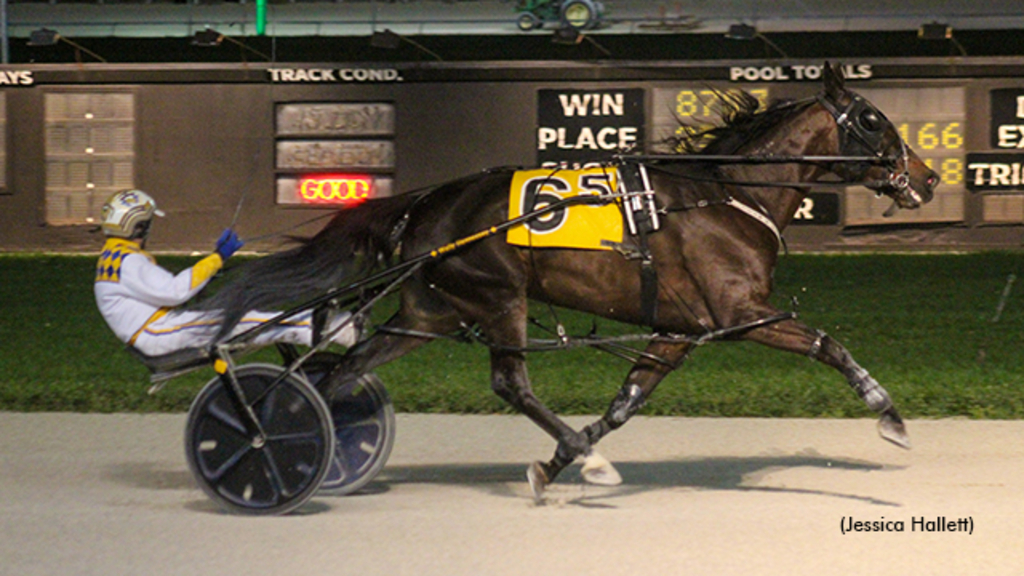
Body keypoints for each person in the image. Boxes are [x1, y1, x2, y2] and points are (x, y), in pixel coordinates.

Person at [94, 189, 359, 357]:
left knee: (246, 317)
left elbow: (167, 292)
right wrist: (217, 258)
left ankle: (322, 324)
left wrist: (213, 266)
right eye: (148, 224)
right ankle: (334, 329)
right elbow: (176, 291)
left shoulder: (115, 258)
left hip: (159, 328)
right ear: (139, 228)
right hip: (159, 333)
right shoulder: (126, 261)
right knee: (244, 320)